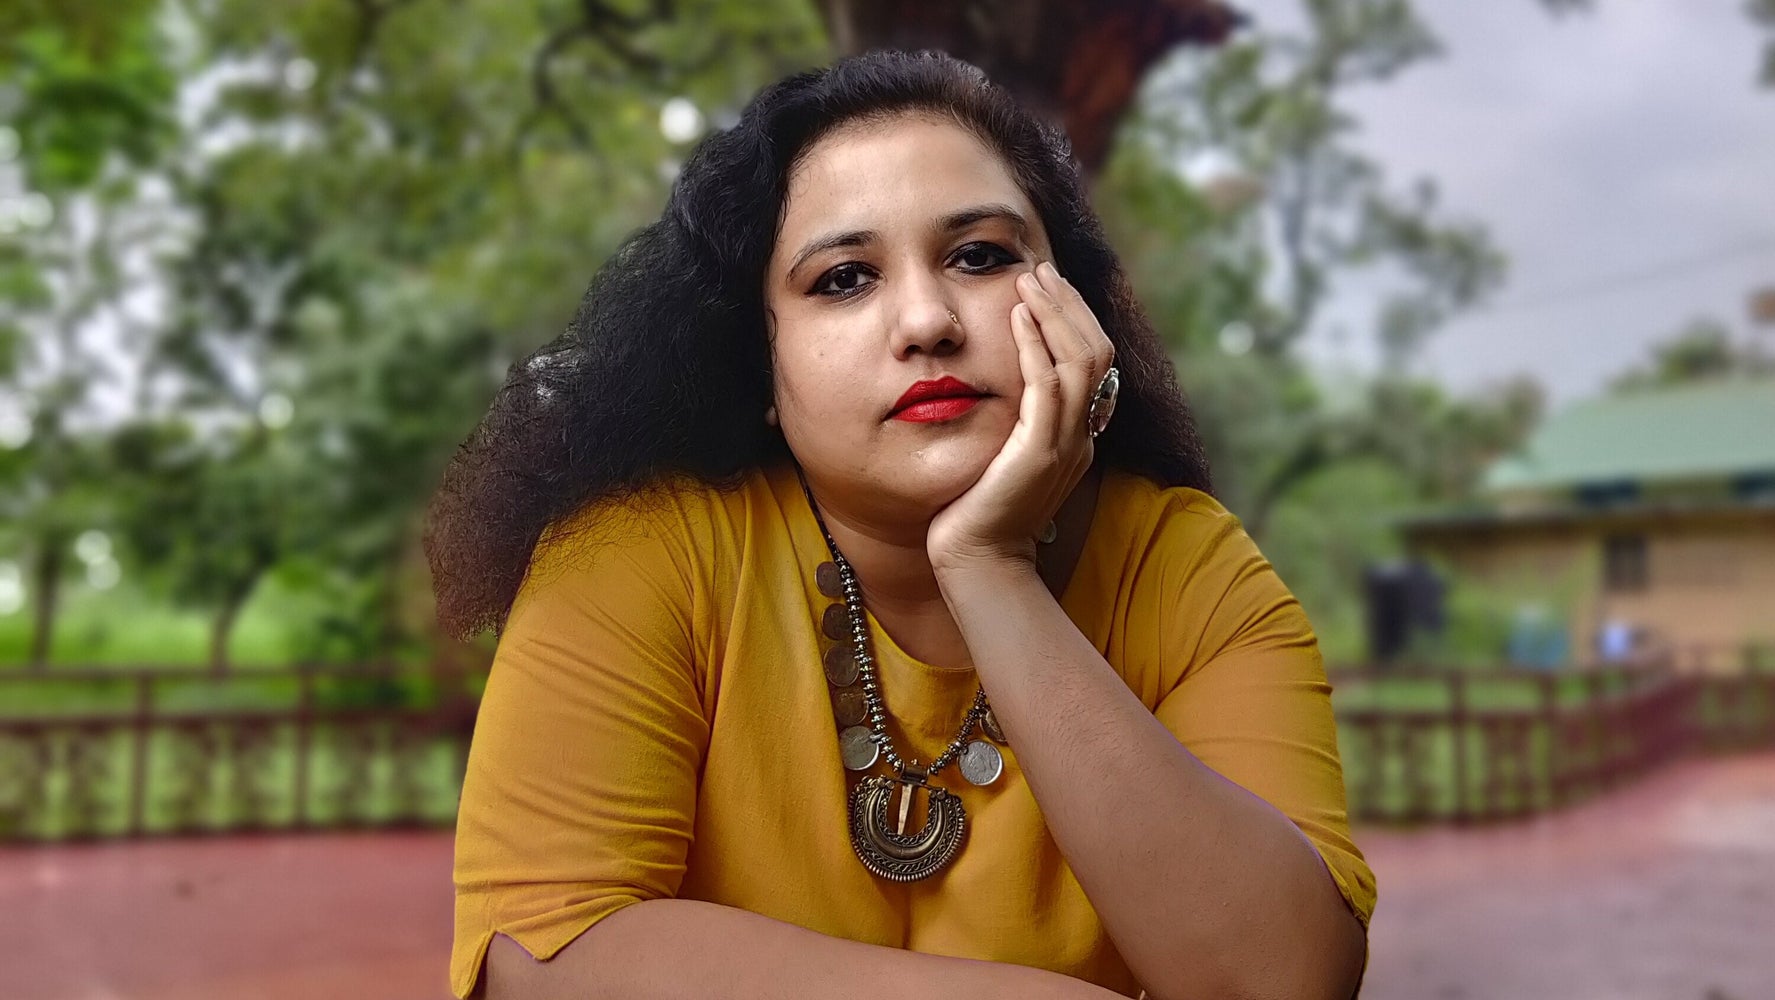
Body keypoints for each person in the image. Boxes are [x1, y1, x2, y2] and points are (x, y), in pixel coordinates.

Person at [426, 49, 1374, 1000]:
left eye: (980, 256)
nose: (926, 321)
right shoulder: (640, 548)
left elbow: (1280, 982)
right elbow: (539, 956)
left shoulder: (1186, 566)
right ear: (762, 368)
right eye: (843, 278)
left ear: (1077, 312)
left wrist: (989, 567)